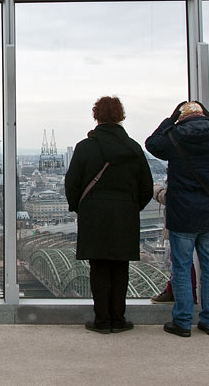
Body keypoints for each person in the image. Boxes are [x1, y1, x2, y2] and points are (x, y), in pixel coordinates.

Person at [146, 101, 209, 337]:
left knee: (181, 267)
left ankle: (183, 321)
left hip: (182, 214)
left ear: (181, 119)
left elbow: (151, 143)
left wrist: (169, 119)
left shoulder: (175, 137)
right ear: (203, 116)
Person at [65, 96, 153, 334]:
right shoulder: (134, 148)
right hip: (124, 216)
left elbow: (71, 185)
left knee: (99, 268)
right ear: (121, 116)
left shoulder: (85, 147)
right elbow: (147, 187)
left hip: (94, 216)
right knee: (120, 268)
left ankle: (102, 320)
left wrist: (81, 208)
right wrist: (131, 207)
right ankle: (118, 319)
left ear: (96, 116)